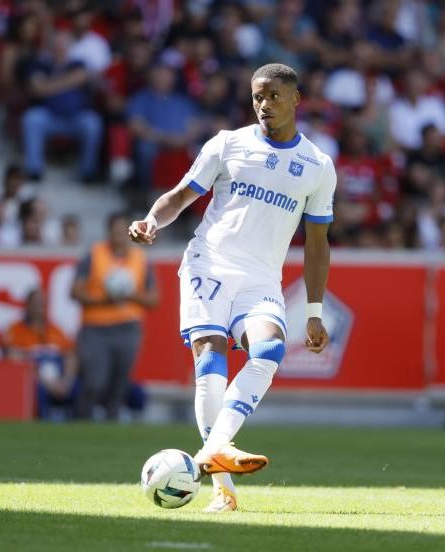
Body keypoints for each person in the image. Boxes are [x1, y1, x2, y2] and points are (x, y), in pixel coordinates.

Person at [128, 63, 335, 513]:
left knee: (270, 350)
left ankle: (214, 448)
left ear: (296, 99)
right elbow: (180, 196)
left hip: (261, 278)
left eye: (274, 96)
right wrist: (151, 220)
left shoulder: (318, 166)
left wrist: (314, 311)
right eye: (258, 96)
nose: (265, 104)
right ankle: (223, 486)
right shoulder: (227, 144)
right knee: (211, 354)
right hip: (210, 263)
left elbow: (318, 243)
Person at [71, 212, 158, 421]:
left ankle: (112, 423)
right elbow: (75, 292)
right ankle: (81, 420)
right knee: (94, 381)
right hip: (96, 328)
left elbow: (153, 300)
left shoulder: (140, 258)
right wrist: (104, 300)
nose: (119, 236)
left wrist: (131, 295)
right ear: (108, 232)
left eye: (123, 231)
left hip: (128, 329)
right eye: (115, 231)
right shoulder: (94, 255)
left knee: (120, 383)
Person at [22, 30, 103, 182]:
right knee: (32, 118)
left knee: (92, 123)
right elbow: (37, 89)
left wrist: (49, 86)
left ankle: (88, 171)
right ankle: (34, 169)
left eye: (62, 47)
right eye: (56, 47)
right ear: (50, 48)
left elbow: (80, 77)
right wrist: (68, 81)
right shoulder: (40, 64)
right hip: (50, 117)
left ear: (69, 49)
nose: (59, 50)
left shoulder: (78, 64)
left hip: (76, 118)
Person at [4, 288, 78, 419]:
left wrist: (66, 381)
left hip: (59, 378)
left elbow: (70, 356)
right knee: (37, 390)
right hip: (36, 379)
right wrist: (46, 382)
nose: (39, 308)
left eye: (42, 304)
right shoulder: (15, 330)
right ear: (27, 305)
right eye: (36, 303)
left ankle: (78, 424)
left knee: (78, 387)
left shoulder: (56, 330)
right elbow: (14, 357)